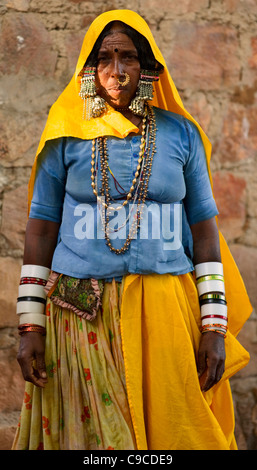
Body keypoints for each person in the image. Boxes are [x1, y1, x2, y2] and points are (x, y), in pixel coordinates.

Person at [12, 10, 252, 451]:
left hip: (164, 310)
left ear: (146, 68)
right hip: (80, 315)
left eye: (128, 58)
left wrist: (213, 326)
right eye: (104, 58)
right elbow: (41, 229)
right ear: (89, 69)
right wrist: (30, 326)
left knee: (177, 431)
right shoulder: (65, 136)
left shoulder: (182, 136)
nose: (116, 71)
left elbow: (203, 231)